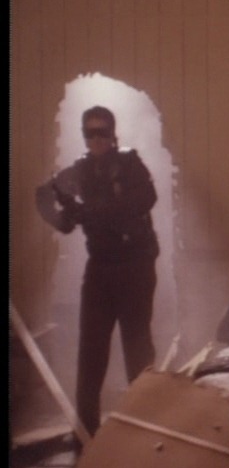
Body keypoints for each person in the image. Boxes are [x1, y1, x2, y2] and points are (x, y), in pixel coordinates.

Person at [35, 105, 160, 438]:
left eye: (102, 132)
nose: (96, 139)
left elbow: (145, 198)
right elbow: (47, 199)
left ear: (112, 133)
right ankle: (85, 432)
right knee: (91, 350)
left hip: (134, 266)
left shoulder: (129, 164)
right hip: (101, 267)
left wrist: (92, 211)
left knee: (137, 350)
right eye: (89, 133)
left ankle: (144, 428)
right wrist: (61, 216)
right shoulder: (80, 171)